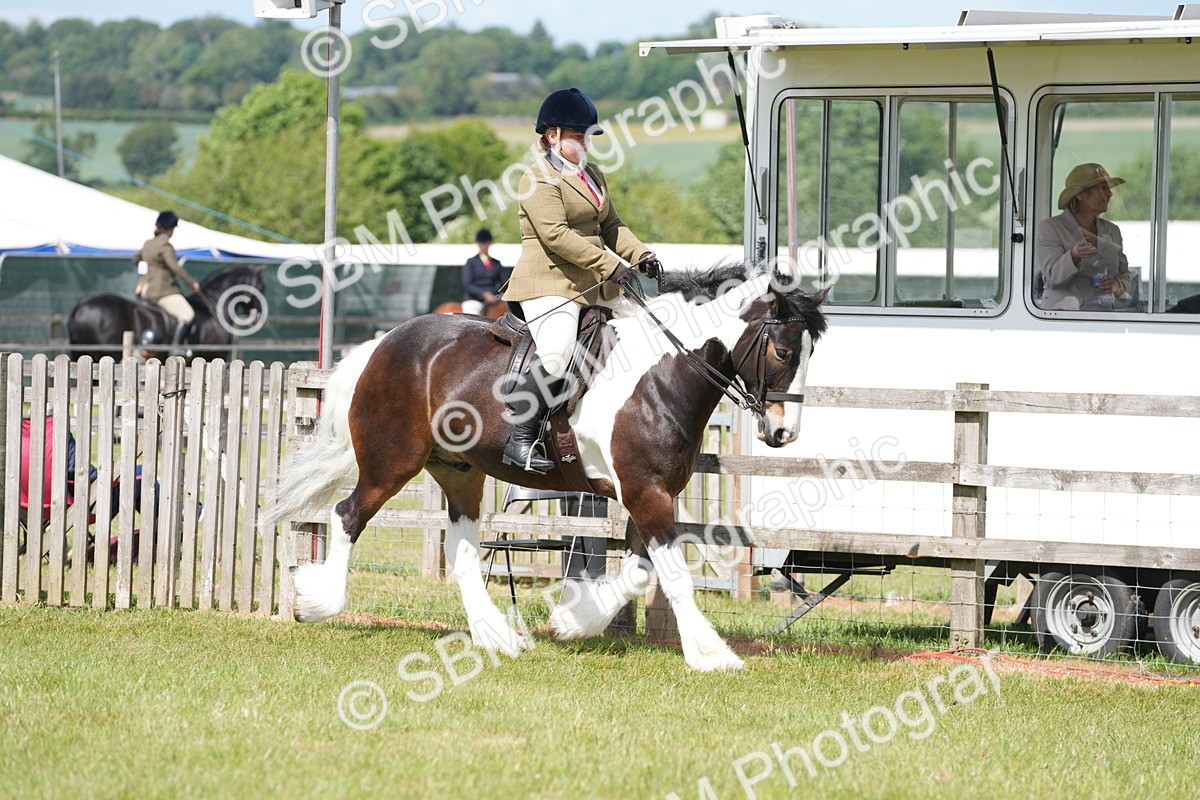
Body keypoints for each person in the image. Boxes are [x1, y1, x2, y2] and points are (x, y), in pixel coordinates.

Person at [500, 87, 659, 473]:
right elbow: (556, 235)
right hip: (549, 283)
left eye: (588, 136)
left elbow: (611, 225)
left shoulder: (593, 175)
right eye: (578, 136)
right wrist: (611, 266)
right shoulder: (536, 179)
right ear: (551, 136)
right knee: (555, 354)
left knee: (647, 333)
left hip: (593, 285)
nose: (586, 144)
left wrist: (641, 255)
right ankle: (519, 439)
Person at [1036, 163, 1136, 311]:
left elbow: (1126, 274)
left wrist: (1118, 286)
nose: (1109, 194)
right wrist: (1073, 255)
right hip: (1062, 322)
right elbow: (1051, 279)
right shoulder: (1050, 228)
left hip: (1104, 320)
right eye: (1102, 188)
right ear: (1080, 195)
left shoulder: (1112, 230)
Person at [134, 210, 201, 350]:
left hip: (145, 289)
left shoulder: (148, 243)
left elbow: (136, 258)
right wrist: (191, 283)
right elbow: (175, 267)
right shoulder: (165, 246)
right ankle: (176, 348)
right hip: (161, 290)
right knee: (188, 315)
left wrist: (148, 272)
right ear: (169, 228)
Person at [462, 227, 504, 315]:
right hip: (474, 300)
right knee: (472, 320)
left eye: (486, 243)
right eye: (482, 243)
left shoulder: (496, 263)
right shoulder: (471, 262)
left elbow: (503, 282)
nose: (484, 246)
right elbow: (468, 284)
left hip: (494, 300)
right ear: (478, 244)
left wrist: (501, 294)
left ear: (490, 243)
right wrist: (484, 294)